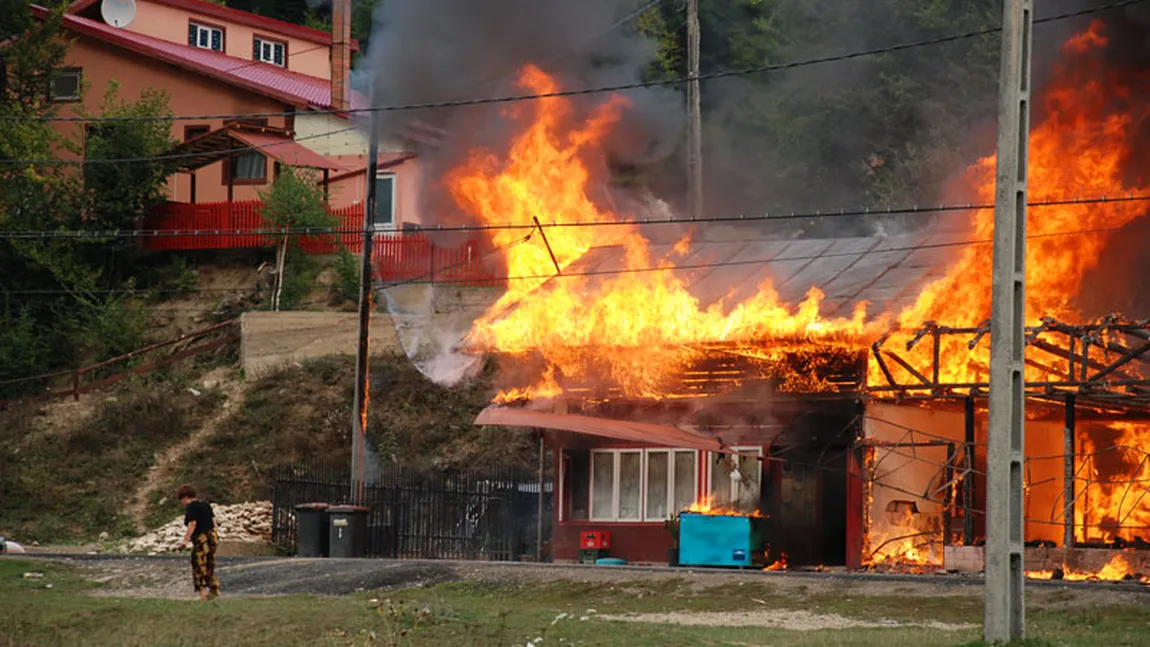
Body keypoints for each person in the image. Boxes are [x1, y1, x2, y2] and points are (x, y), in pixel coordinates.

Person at [176, 485, 219, 600]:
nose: (182, 503)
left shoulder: (192, 507)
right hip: (212, 538)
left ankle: (203, 593)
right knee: (210, 563)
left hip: (201, 539)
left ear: (185, 497)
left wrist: (185, 540)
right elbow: (214, 522)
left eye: (181, 500)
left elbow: (192, 524)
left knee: (198, 565)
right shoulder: (205, 504)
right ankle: (214, 589)